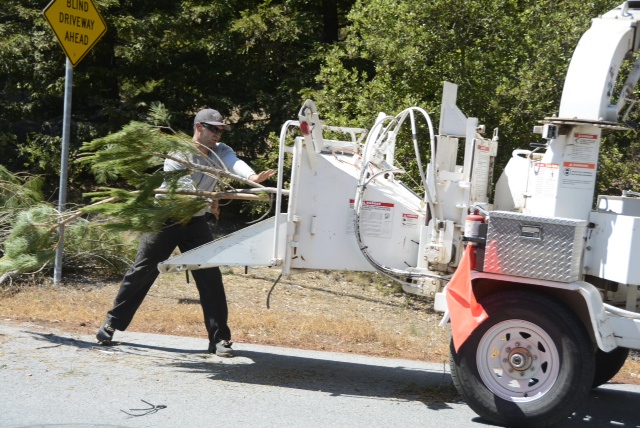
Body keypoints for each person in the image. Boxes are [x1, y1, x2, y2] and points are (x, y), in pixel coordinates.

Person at [96, 108, 275, 357]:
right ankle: (112, 323)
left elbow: (235, 165)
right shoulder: (179, 153)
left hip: (195, 223)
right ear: (199, 127)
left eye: (221, 129)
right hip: (166, 220)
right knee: (142, 272)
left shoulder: (221, 151)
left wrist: (254, 177)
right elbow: (185, 190)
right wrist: (210, 197)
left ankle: (220, 340)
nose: (218, 134)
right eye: (214, 128)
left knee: (211, 277)